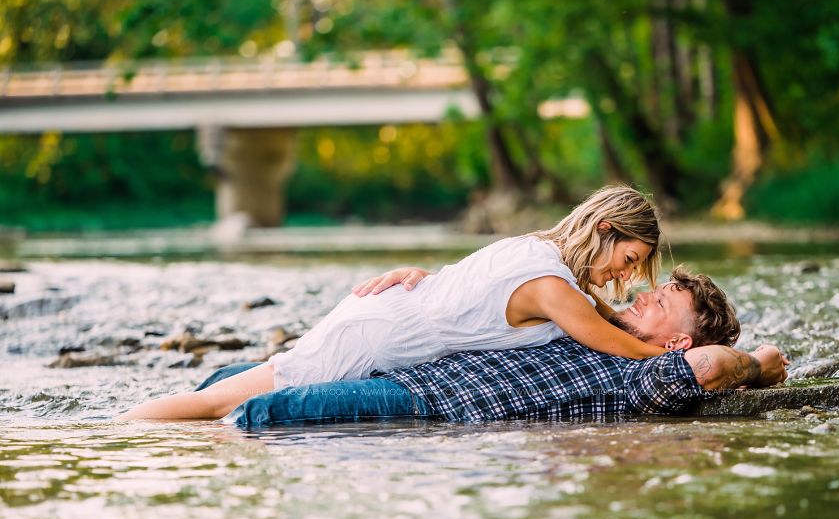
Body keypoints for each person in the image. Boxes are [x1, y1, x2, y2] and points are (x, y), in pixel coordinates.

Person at [118, 185, 670, 422]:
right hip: (381, 335)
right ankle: (117, 430)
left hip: (389, 323)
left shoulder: (539, 252)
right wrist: (675, 355)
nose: (625, 274)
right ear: (604, 229)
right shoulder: (553, 288)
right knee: (224, 402)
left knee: (242, 392)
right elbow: (616, 345)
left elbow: (600, 315)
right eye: (630, 257)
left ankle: (134, 427)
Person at [209, 267, 788, 427]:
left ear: (678, 341)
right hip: (413, 369)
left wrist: (758, 364)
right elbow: (504, 292)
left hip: (429, 405)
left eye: (658, 304)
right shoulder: (594, 323)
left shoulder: (650, 377)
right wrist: (432, 280)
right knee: (224, 380)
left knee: (262, 412)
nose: (641, 297)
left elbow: (711, 365)